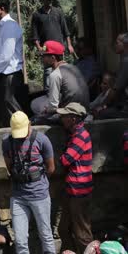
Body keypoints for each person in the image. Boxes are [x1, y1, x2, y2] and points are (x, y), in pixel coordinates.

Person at [2, 111, 56, 254]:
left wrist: (36, 180)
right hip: (18, 196)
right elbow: (9, 167)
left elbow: (51, 168)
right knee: (20, 240)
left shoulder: (42, 140)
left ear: (29, 125)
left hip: (39, 195)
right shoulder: (7, 142)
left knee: (46, 235)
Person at [57, 103, 94, 253]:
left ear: (73, 119)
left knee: (82, 233)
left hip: (79, 191)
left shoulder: (80, 136)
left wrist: (61, 155)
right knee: (64, 228)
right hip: (73, 190)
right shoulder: (74, 134)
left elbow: (66, 160)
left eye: (64, 116)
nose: (62, 119)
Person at [0, 0, 26, 128]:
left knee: (11, 105)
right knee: (2, 108)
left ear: (2, 9)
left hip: (10, 73)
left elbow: (6, 55)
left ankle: (24, 133)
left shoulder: (10, 26)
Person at [30, 40, 89, 122]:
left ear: (53, 58)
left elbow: (53, 107)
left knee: (35, 106)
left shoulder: (55, 74)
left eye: (44, 56)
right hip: (84, 111)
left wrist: (46, 110)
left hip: (71, 115)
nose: (41, 58)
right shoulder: (74, 67)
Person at [32, 0, 74, 85]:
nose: (50, 1)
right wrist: (39, 48)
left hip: (59, 49)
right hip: (47, 51)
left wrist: (69, 45)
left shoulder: (58, 12)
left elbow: (65, 30)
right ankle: (49, 95)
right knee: (48, 74)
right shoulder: (37, 15)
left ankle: (61, 96)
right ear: (43, 0)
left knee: (61, 72)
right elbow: (35, 35)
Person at [97, 33, 128, 119]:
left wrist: (102, 104)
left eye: (117, 43)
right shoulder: (124, 60)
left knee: (100, 115)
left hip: (125, 108)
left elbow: (115, 90)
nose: (115, 45)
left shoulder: (126, 61)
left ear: (125, 44)